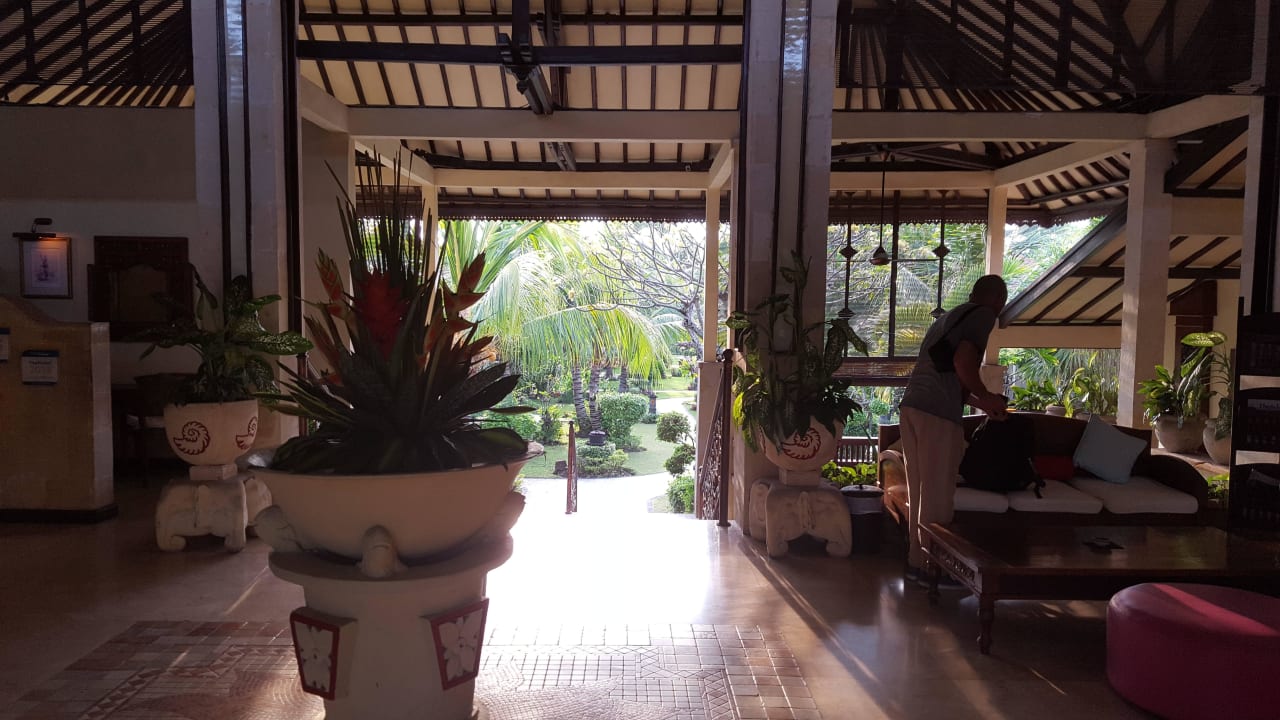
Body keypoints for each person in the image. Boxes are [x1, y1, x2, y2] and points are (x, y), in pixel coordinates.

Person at [898, 275, 1010, 584]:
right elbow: (964, 362)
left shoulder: (948, 318)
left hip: (913, 406)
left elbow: (950, 372)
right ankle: (935, 568)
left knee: (920, 492)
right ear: (998, 300)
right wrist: (987, 396)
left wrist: (980, 402)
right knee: (937, 495)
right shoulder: (983, 315)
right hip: (937, 414)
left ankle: (917, 563)